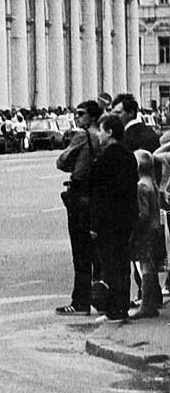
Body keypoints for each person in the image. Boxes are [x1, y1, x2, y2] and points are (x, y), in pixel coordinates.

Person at [85, 112, 140, 321]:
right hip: (126, 219)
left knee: (110, 266)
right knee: (122, 265)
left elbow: (99, 196)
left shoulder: (105, 159)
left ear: (109, 132)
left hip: (108, 222)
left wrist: (94, 225)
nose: (99, 135)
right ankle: (122, 307)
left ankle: (113, 310)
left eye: (101, 130)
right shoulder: (128, 155)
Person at [56, 100, 102, 316]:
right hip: (98, 196)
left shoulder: (83, 135)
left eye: (81, 113)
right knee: (98, 253)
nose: (77, 116)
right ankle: (104, 297)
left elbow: (62, 161)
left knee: (81, 252)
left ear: (91, 116)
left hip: (80, 196)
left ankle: (80, 301)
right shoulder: (102, 135)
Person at [134, 150, 163, 320]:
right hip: (155, 228)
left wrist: (134, 227)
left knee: (144, 266)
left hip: (145, 232)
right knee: (151, 265)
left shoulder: (141, 186)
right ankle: (151, 303)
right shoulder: (152, 182)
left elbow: (142, 214)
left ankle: (146, 304)